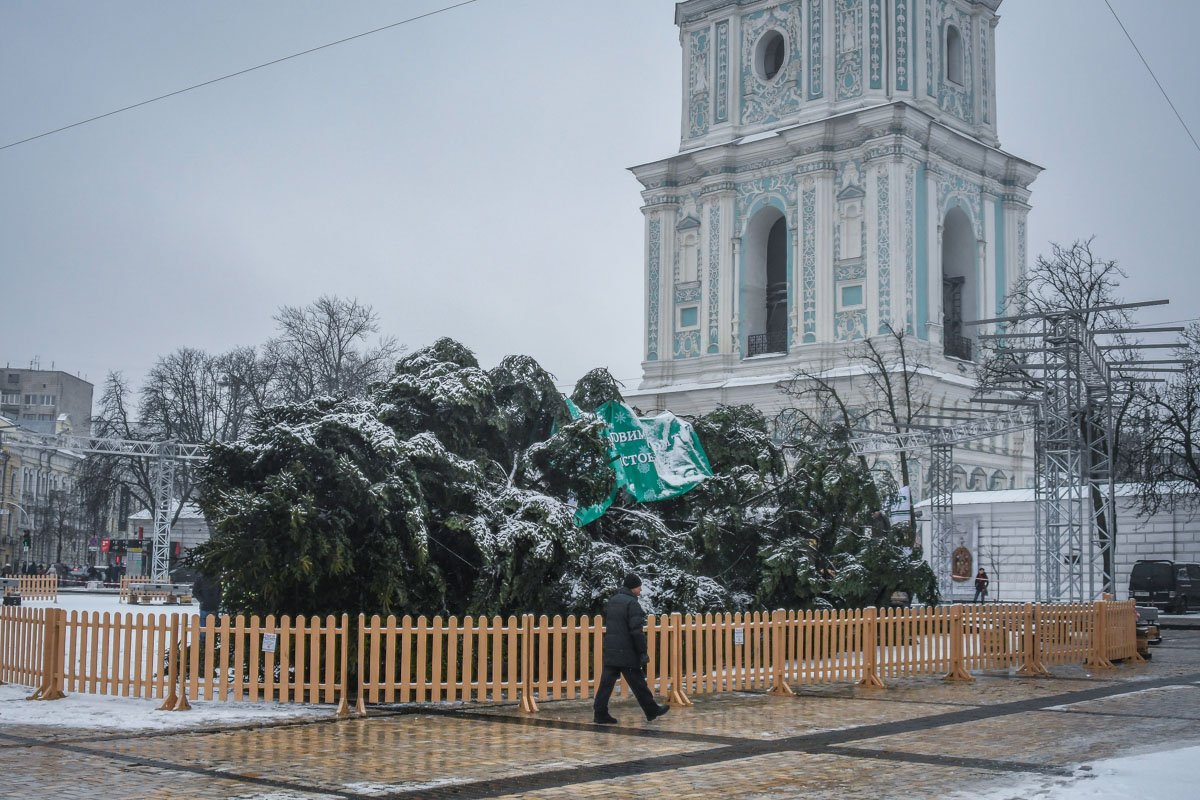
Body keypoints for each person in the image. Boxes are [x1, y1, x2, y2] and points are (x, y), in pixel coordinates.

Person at [593, 573, 669, 725]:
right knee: (638, 683)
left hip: (612, 650)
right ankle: (652, 710)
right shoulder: (632, 604)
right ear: (633, 587)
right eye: (639, 588)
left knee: (605, 684)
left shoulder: (613, 601)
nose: (640, 591)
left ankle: (600, 713)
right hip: (627, 652)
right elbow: (636, 631)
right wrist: (642, 652)